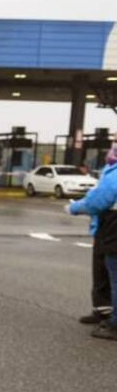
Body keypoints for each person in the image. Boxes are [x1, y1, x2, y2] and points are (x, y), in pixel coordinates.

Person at [68, 144, 117, 340]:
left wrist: (74, 208)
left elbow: (98, 200)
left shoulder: (114, 172)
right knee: (103, 270)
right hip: (106, 227)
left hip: (113, 228)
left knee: (114, 275)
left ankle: (114, 324)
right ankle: (103, 310)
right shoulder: (110, 169)